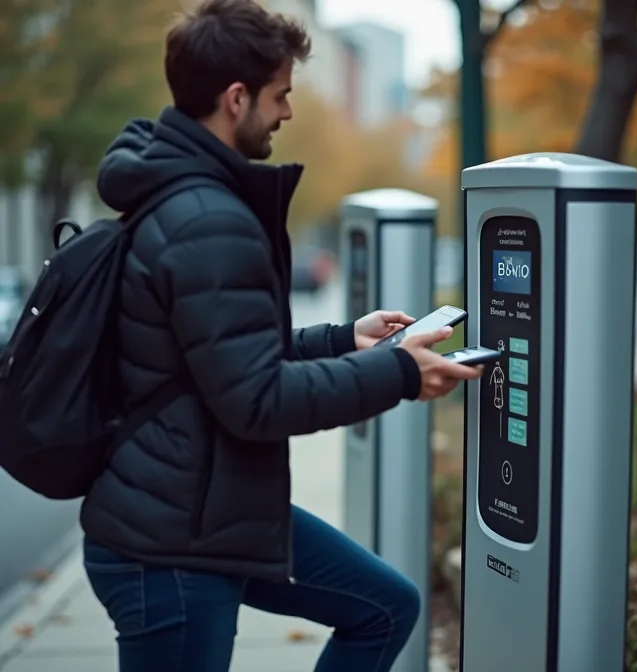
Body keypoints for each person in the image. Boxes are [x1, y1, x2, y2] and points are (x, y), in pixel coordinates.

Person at [78, 1, 483, 670]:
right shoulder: (207, 216)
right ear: (236, 99)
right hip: (173, 545)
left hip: (208, 509)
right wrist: (401, 373)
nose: (289, 112)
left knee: (385, 607)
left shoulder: (181, 193)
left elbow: (216, 358)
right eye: (281, 94)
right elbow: (258, 400)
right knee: (384, 610)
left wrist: (338, 341)